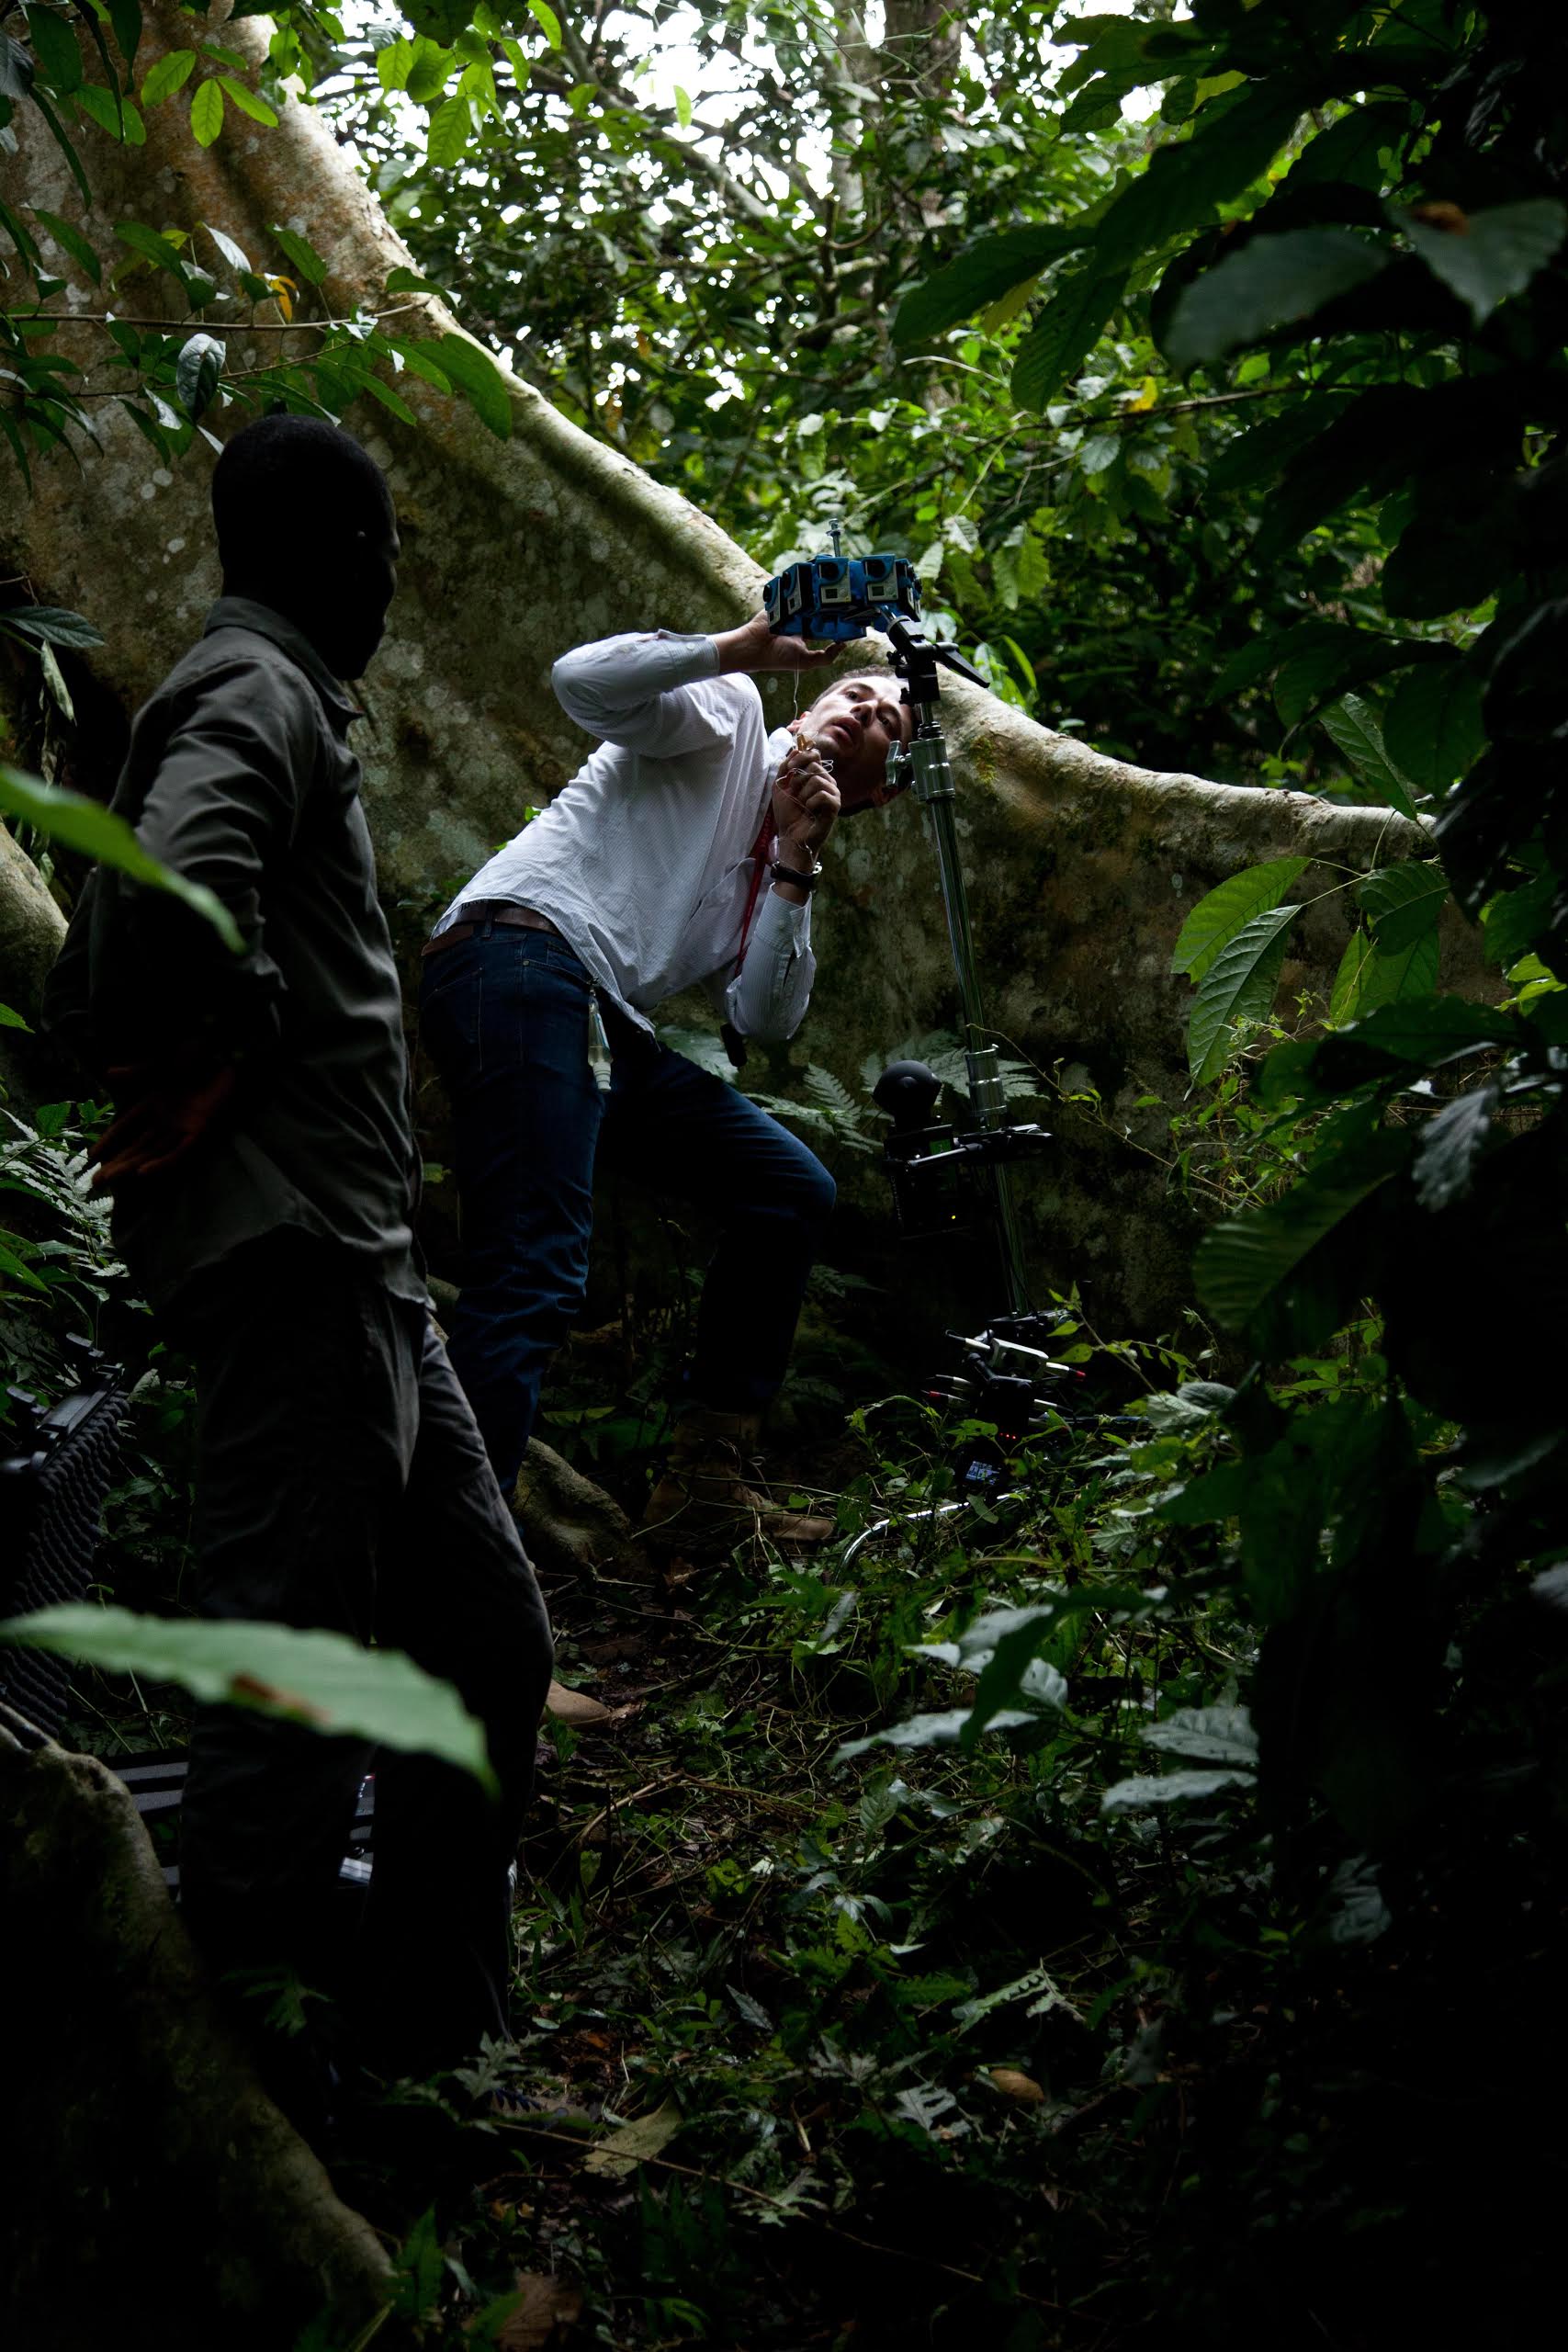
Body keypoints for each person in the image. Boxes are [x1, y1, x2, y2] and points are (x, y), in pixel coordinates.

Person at [44, 416, 553, 2109]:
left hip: (362, 1272)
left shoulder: (266, 691)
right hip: (296, 1267)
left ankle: (423, 2033)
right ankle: (227, 2095)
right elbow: (178, 885)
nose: (394, 587)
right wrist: (216, 1024)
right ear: (343, 555)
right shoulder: (248, 690)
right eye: (388, 554)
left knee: (479, 1641)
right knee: (287, 1680)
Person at [419, 611, 912, 1559]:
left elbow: (766, 1019)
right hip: (522, 954)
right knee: (532, 1269)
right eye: (856, 694)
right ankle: (456, 1597)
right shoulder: (726, 717)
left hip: (597, 1013)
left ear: (882, 795)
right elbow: (581, 680)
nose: (865, 713)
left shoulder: (784, 857)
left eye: (889, 723)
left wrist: (798, 856)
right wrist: (742, 647)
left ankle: (706, 1482)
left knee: (787, 1187)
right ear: (812, 702)